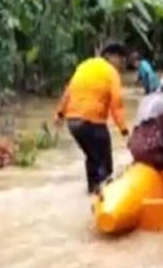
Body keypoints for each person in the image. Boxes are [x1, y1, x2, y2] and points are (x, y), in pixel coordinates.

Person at [55, 42, 129, 194]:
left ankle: (92, 190)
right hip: (92, 122)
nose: (122, 65)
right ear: (110, 56)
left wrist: (60, 114)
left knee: (92, 156)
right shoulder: (111, 72)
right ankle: (105, 192)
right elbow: (117, 105)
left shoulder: (84, 66)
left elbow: (69, 91)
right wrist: (124, 131)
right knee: (104, 161)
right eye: (121, 60)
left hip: (73, 123)